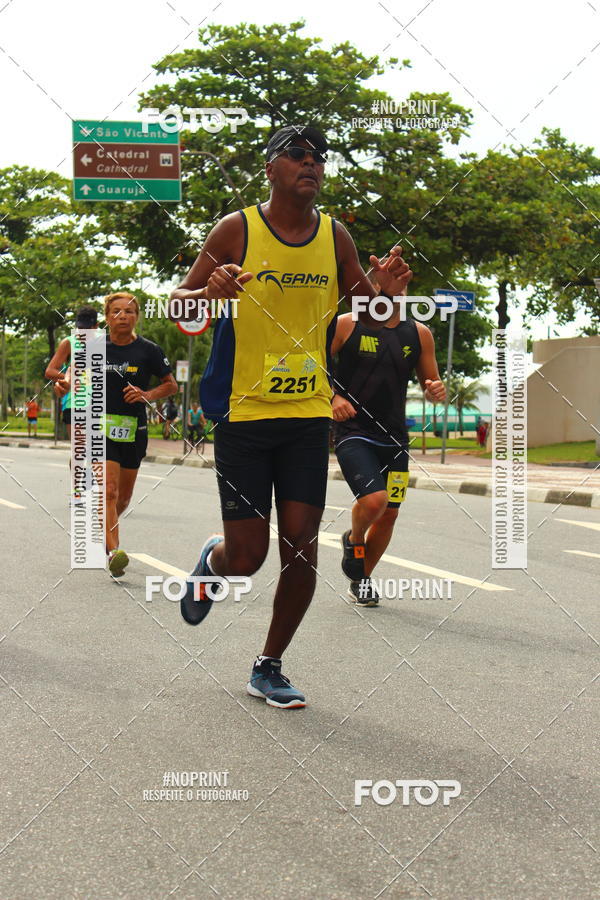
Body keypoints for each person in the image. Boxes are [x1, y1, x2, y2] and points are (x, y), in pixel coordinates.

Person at [169, 124, 413, 709]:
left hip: (307, 415)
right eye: (298, 154)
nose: (312, 163)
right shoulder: (235, 230)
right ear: (272, 167)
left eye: (320, 157)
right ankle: (215, 562)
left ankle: (269, 665)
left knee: (301, 545)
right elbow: (180, 307)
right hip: (245, 414)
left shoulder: (335, 238)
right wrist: (213, 292)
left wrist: (387, 292)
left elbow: (367, 310)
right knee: (248, 557)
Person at [331, 287, 446, 606]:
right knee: (374, 500)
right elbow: (315, 362)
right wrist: (333, 396)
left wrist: (435, 390)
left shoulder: (418, 333)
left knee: (389, 514)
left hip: (394, 438)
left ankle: (361, 580)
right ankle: (353, 539)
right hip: (352, 429)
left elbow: (431, 382)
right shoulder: (346, 324)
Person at [57, 293, 178, 576]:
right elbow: (71, 376)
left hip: (134, 429)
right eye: (116, 311)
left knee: (122, 498)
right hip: (99, 425)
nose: (123, 316)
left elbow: (170, 385)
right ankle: (113, 552)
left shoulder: (149, 350)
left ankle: (104, 527)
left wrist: (147, 394)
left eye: (129, 311)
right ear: (107, 317)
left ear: (137, 316)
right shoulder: (93, 347)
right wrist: (63, 386)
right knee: (107, 490)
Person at [46, 306, 99, 441]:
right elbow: (50, 371)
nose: (82, 332)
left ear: (96, 326)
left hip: (99, 402)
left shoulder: (104, 343)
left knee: (98, 451)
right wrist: (70, 377)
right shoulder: (69, 342)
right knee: (79, 452)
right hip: (75, 403)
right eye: (80, 328)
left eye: (87, 329)